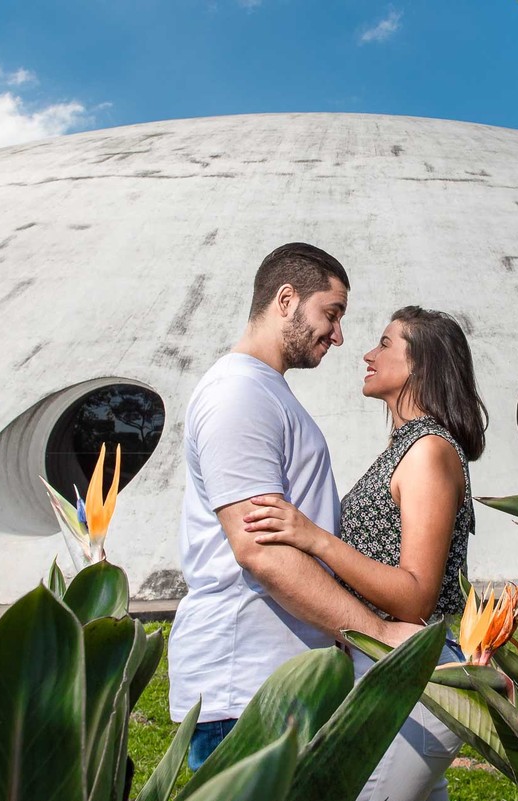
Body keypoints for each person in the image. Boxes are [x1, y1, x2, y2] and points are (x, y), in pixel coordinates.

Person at [167, 243, 417, 771]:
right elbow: (259, 551)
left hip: (279, 689)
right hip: (246, 694)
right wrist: (377, 635)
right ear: (286, 300)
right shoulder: (238, 394)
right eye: (332, 313)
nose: (339, 335)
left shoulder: (264, 391)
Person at [243, 305, 488, 801]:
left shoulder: (428, 451)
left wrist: (315, 538)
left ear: (421, 364)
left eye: (385, 344)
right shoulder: (407, 447)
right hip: (396, 674)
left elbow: (416, 596)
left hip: (413, 676)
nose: (367, 354)